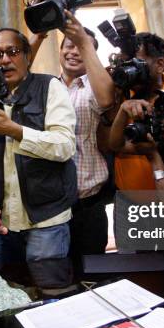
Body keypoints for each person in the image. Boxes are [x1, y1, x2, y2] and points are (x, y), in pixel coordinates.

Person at [0, 27, 77, 270]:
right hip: (3, 221)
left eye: (12, 52)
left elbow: (65, 146)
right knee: (6, 294)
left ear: (27, 56)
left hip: (47, 220)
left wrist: (15, 130)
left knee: (49, 291)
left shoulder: (49, 87)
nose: (4, 60)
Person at [58, 13, 115, 258]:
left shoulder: (95, 87)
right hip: (53, 206)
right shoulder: (48, 87)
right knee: (56, 277)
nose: (74, 52)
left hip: (89, 205)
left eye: (81, 48)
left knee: (93, 276)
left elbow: (106, 100)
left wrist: (84, 42)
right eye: (69, 46)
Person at [110, 32, 164, 191]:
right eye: (125, 63)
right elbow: (113, 145)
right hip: (126, 200)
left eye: (137, 63)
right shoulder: (123, 97)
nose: (129, 70)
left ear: (160, 64)